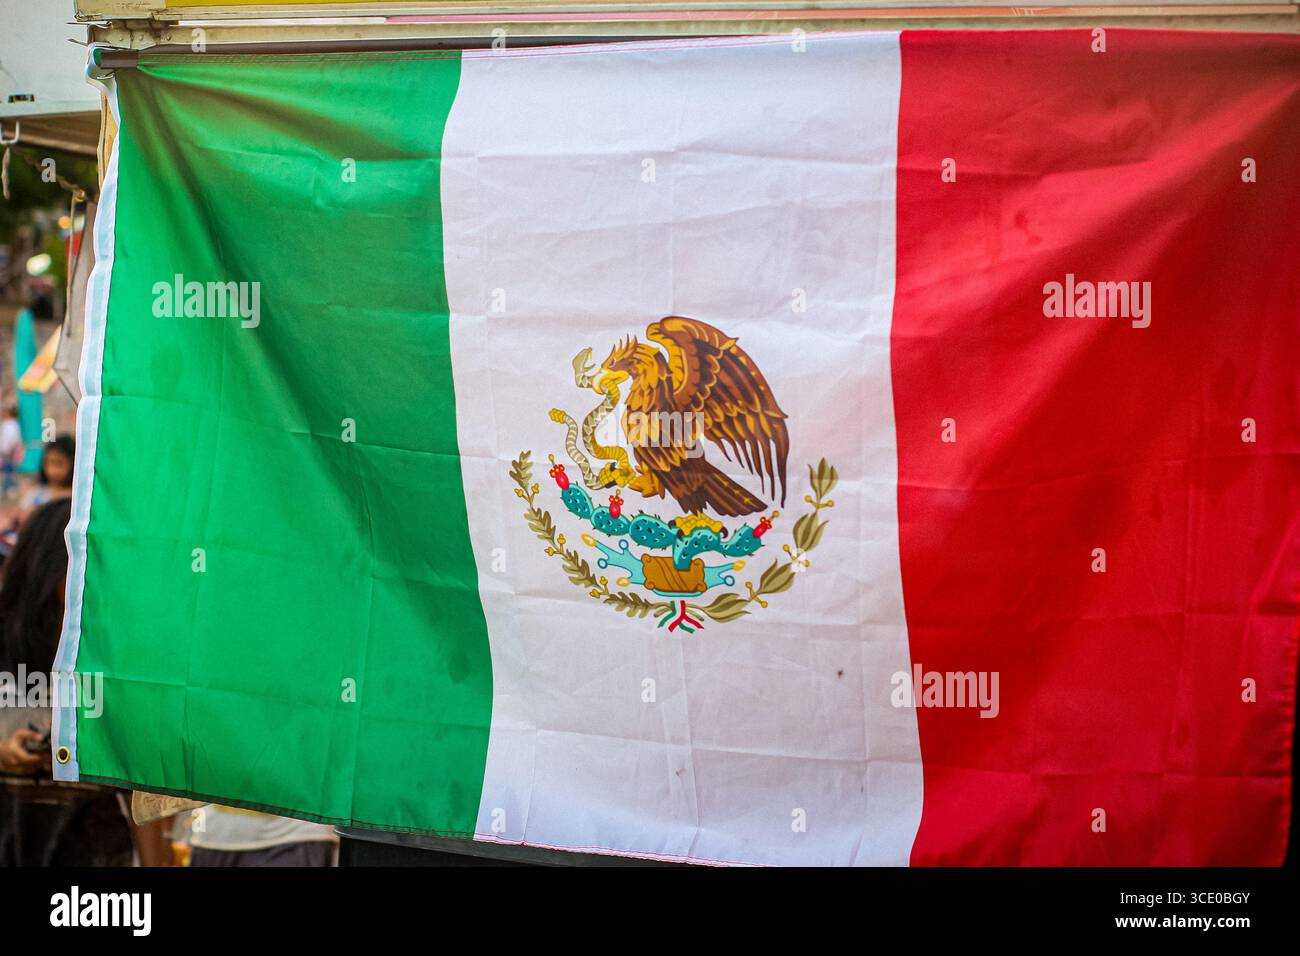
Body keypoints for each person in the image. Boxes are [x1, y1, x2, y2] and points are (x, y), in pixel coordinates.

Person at [0, 498, 137, 865]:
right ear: (46, 568)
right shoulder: (6, 644)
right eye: (82, 566)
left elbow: (144, 786)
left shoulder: (121, 652)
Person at [21, 435, 75, 512]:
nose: (52, 470)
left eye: (59, 464)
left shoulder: (76, 499)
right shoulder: (37, 495)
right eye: (48, 463)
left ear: (73, 463)